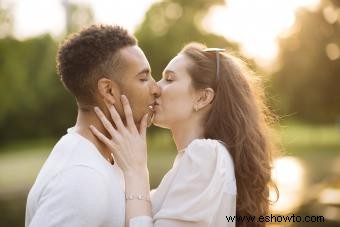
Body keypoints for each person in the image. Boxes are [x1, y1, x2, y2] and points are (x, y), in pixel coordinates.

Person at [91, 42, 277, 226]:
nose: (155, 88)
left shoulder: (205, 156)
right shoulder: (191, 164)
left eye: (169, 79)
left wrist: (137, 171)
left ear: (203, 98)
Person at [25, 24, 160, 227]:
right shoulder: (81, 178)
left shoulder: (112, 160)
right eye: (143, 78)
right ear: (108, 90)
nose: (156, 88)